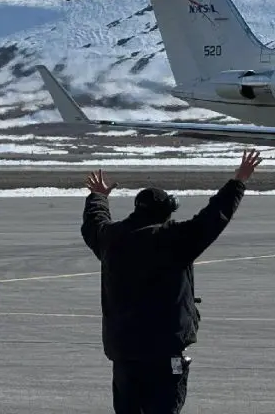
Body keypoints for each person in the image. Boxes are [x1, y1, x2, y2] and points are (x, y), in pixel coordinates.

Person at [80, 150, 262, 414]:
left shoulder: (111, 239)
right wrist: (238, 181)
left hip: (125, 353)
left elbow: (94, 222)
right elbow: (213, 216)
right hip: (164, 351)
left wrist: (99, 196)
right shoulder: (173, 239)